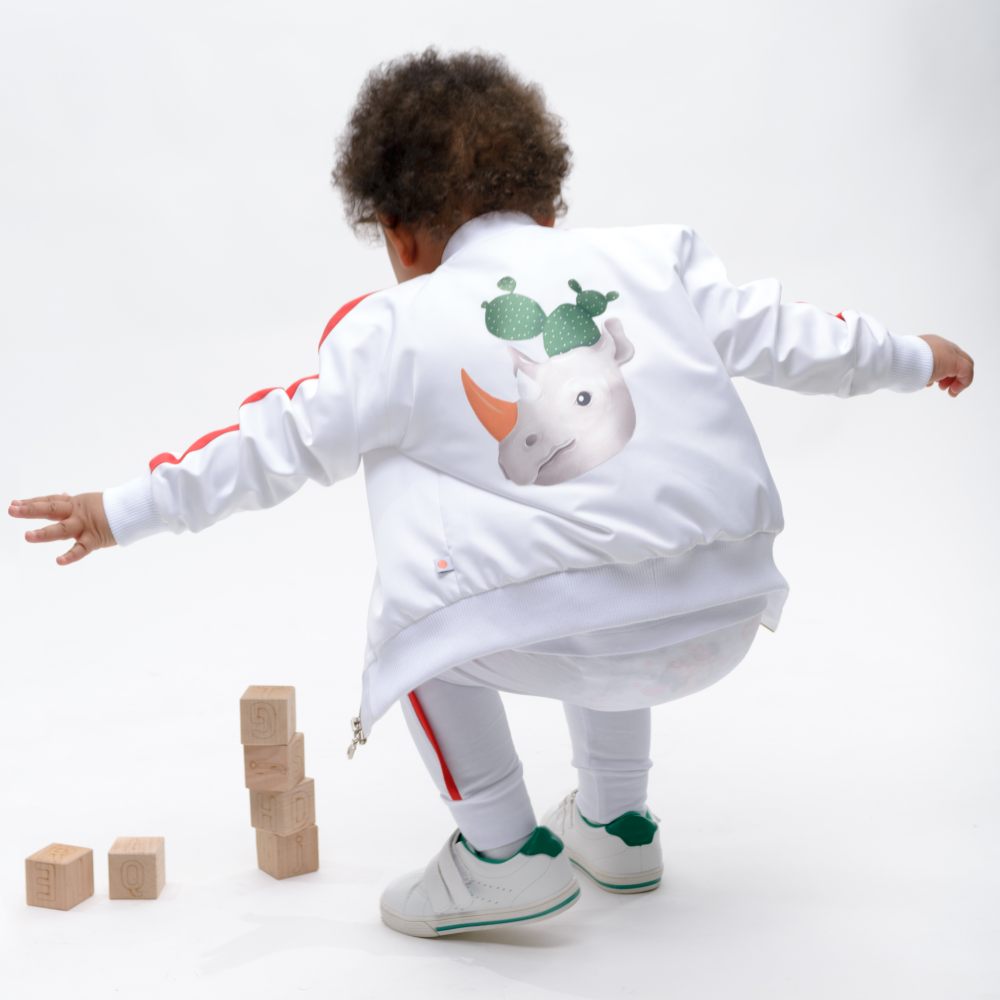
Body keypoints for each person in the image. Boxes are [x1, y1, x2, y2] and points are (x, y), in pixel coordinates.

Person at [7, 47, 975, 939]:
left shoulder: (393, 323)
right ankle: (618, 822)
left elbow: (275, 442)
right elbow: (793, 333)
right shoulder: (653, 259)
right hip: (720, 609)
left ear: (398, 232)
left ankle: (500, 850)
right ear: (546, 205)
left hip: (545, 632)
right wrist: (911, 354)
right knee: (594, 549)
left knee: (426, 605)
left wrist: (120, 509)